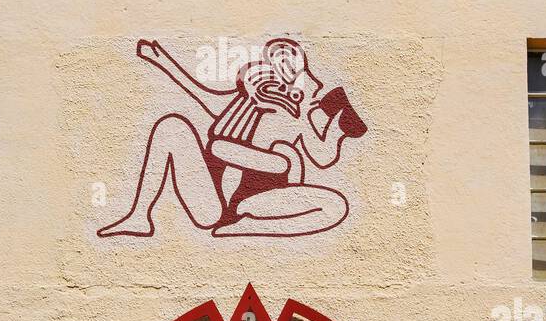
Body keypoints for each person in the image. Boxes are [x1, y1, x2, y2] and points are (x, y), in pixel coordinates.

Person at [98, 38, 366, 238]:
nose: (315, 85)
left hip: (258, 203)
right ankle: (139, 216)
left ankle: (247, 227)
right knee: (171, 127)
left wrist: (337, 129)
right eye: (306, 78)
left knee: (335, 205)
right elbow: (204, 103)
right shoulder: (242, 107)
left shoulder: (295, 122)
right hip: (211, 204)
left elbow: (323, 155)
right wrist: (163, 61)